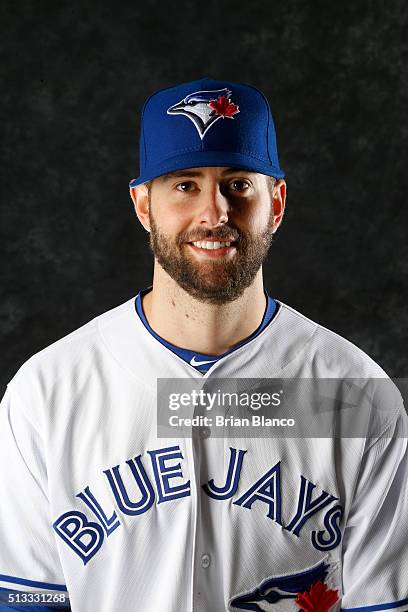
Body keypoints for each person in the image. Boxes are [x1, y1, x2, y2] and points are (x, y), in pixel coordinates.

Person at [0, 78, 407, 612]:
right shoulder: (46, 391)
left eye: (238, 184)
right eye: (184, 185)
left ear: (276, 203)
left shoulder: (359, 395)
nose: (214, 213)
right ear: (143, 204)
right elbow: (28, 602)